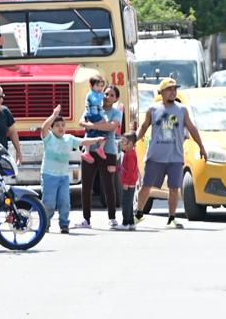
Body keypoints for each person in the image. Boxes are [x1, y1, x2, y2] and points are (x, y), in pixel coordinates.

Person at [135, 78, 204, 229]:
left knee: (174, 189)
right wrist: (133, 139)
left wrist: (201, 146)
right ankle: (138, 214)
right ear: (162, 92)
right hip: (155, 156)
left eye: (175, 89)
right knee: (146, 186)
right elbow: (143, 127)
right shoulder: (152, 109)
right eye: (169, 89)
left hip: (175, 157)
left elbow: (192, 129)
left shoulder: (182, 110)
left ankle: (171, 218)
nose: (173, 92)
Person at [39, 104, 102, 233]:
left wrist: (97, 140)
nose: (61, 128)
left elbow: (83, 142)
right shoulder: (49, 138)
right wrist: (54, 115)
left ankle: (64, 224)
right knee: (49, 203)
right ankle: (45, 224)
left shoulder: (69, 139)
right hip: (49, 175)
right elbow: (43, 128)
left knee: (65, 202)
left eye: (63, 125)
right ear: (52, 128)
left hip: (63, 176)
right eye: (57, 126)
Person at [78, 84, 123, 229]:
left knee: (108, 185)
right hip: (89, 150)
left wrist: (93, 126)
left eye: (112, 95)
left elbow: (112, 127)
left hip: (107, 152)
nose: (108, 97)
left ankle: (112, 218)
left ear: (116, 99)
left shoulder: (116, 112)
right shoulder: (92, 106)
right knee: (86, 185)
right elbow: (81, 122)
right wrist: (97, 125)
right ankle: (86, 219)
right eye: (106, 93)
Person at [79, 75, 109, 164]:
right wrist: (102, 95)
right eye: (97, 86)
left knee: (90, 133)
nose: (100, 88)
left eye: (101, 86)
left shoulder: (94, 94)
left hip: (92, 115)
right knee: (105, 128)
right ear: (91, 86)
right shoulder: (91, 94)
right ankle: (100, 148)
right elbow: (95, 102)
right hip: (93, 115)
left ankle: (86, 152)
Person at [118, 132, 139, 230]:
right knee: (129, 203)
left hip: (129, 183)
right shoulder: (129, 153)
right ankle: (131, 222)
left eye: (123, 141)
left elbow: (130, 171)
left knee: (126, 203)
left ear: (130, 143)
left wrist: (126, 182)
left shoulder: (129, 155)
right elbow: (125, 168)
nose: (121, 143)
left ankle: (125, 223)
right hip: (131, 183)